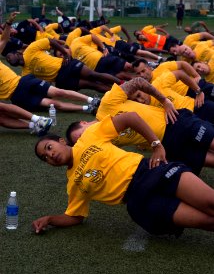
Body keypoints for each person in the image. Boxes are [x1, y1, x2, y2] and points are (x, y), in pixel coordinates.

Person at [33, 112, 214, 238]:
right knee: (207, 221)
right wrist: (50, 219)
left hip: (150, 171)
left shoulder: (89, 137)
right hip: (139, 201)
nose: (50, 155)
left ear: (61, 141)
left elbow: (130, 118)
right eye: (45, 157)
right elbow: (76, 216)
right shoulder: (73, 183)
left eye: (49, 148)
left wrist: (156, 145)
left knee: (210, 202)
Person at [66, 78, 214, 175]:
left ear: (83, 123)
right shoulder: (103, 140)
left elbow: (137, 82)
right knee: (207, 161)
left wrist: (164, 101)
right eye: (81, 141)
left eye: (80, 135)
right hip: (167, 146)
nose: (85, 137)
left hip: (174, 123)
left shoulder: (106, 105)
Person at [5, 37, 121, 93]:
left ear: (18, 53)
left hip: (65, 65)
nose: (9, 60)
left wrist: (65, 52)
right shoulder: (25, 73)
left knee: (94, 75)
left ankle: (123, 85)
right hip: (61, 80)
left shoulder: (30, 50)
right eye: (8, 60)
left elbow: (50, 41)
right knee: (92, 85)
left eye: (9, 56)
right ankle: (118, 94)